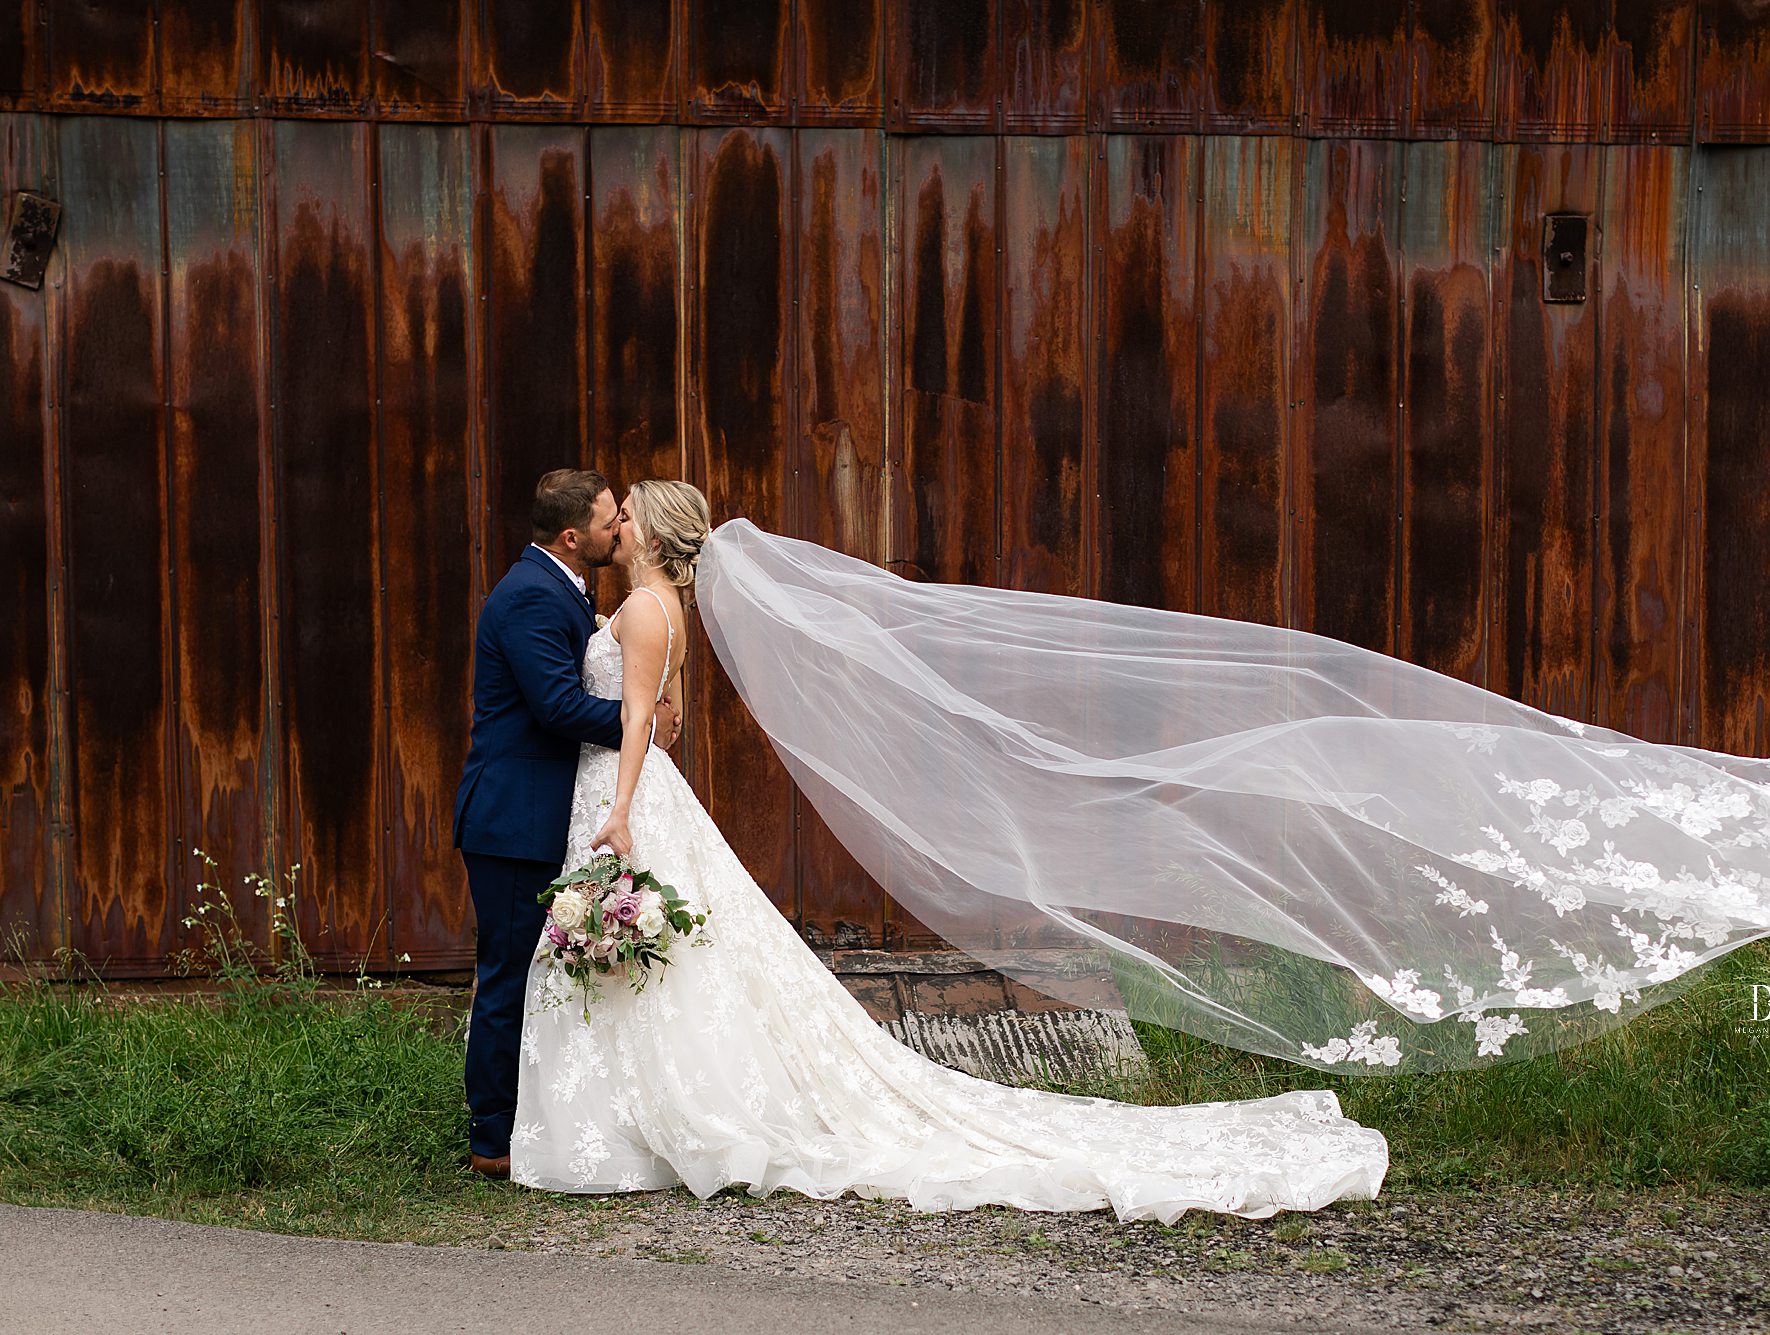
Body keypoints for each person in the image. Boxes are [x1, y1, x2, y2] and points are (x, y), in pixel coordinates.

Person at [509, 480, 1392, 1221]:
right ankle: (634, 1118)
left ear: (653, 533)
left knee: (657, 953)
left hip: (623, 797)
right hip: (631, 791)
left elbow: (638, 723)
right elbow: (667, 717)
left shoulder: (642, 611)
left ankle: (642, 1123)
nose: (614, 523)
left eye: (625, 515)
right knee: (675, 959)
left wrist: (621, 810)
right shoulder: (656, 608)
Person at [452, 469, 678, 1181]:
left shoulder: (570, 588)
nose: (621, 528)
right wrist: (641, 722)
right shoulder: (526, 596)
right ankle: (492, 1139)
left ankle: (538, 1117)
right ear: (575, 536)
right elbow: (554, 705)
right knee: (509, 974)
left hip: (544, 813)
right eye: (612, 520)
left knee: (542, 973)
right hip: (510, 819)